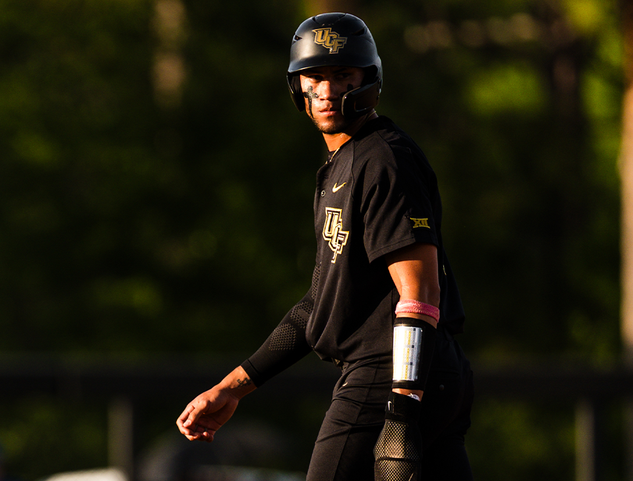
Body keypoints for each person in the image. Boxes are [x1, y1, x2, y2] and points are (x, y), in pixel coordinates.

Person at [175, 12, 474, 481]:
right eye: (315, 76)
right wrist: (232, 388)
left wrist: (400, 410)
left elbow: (419, 295)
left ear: (369, 80)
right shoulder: (343, 165)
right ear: (298, 85)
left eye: (342, 75)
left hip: (389, 374)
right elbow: (319, 305)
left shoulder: (383, 160)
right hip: (426, 374)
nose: (328, 90)